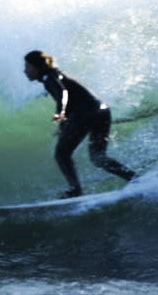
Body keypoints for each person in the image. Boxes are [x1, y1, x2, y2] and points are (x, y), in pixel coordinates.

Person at [24, 49, 135, 198]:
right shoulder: (56, 75)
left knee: (61, 154)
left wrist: (61, 117)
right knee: (98, 158)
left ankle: (75, 190)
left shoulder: (50, 78)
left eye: (28, 67)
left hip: (87, 113)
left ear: (37, 67)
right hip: (102, 110)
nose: (25, 71)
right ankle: (133, 178)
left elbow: (63, 94)